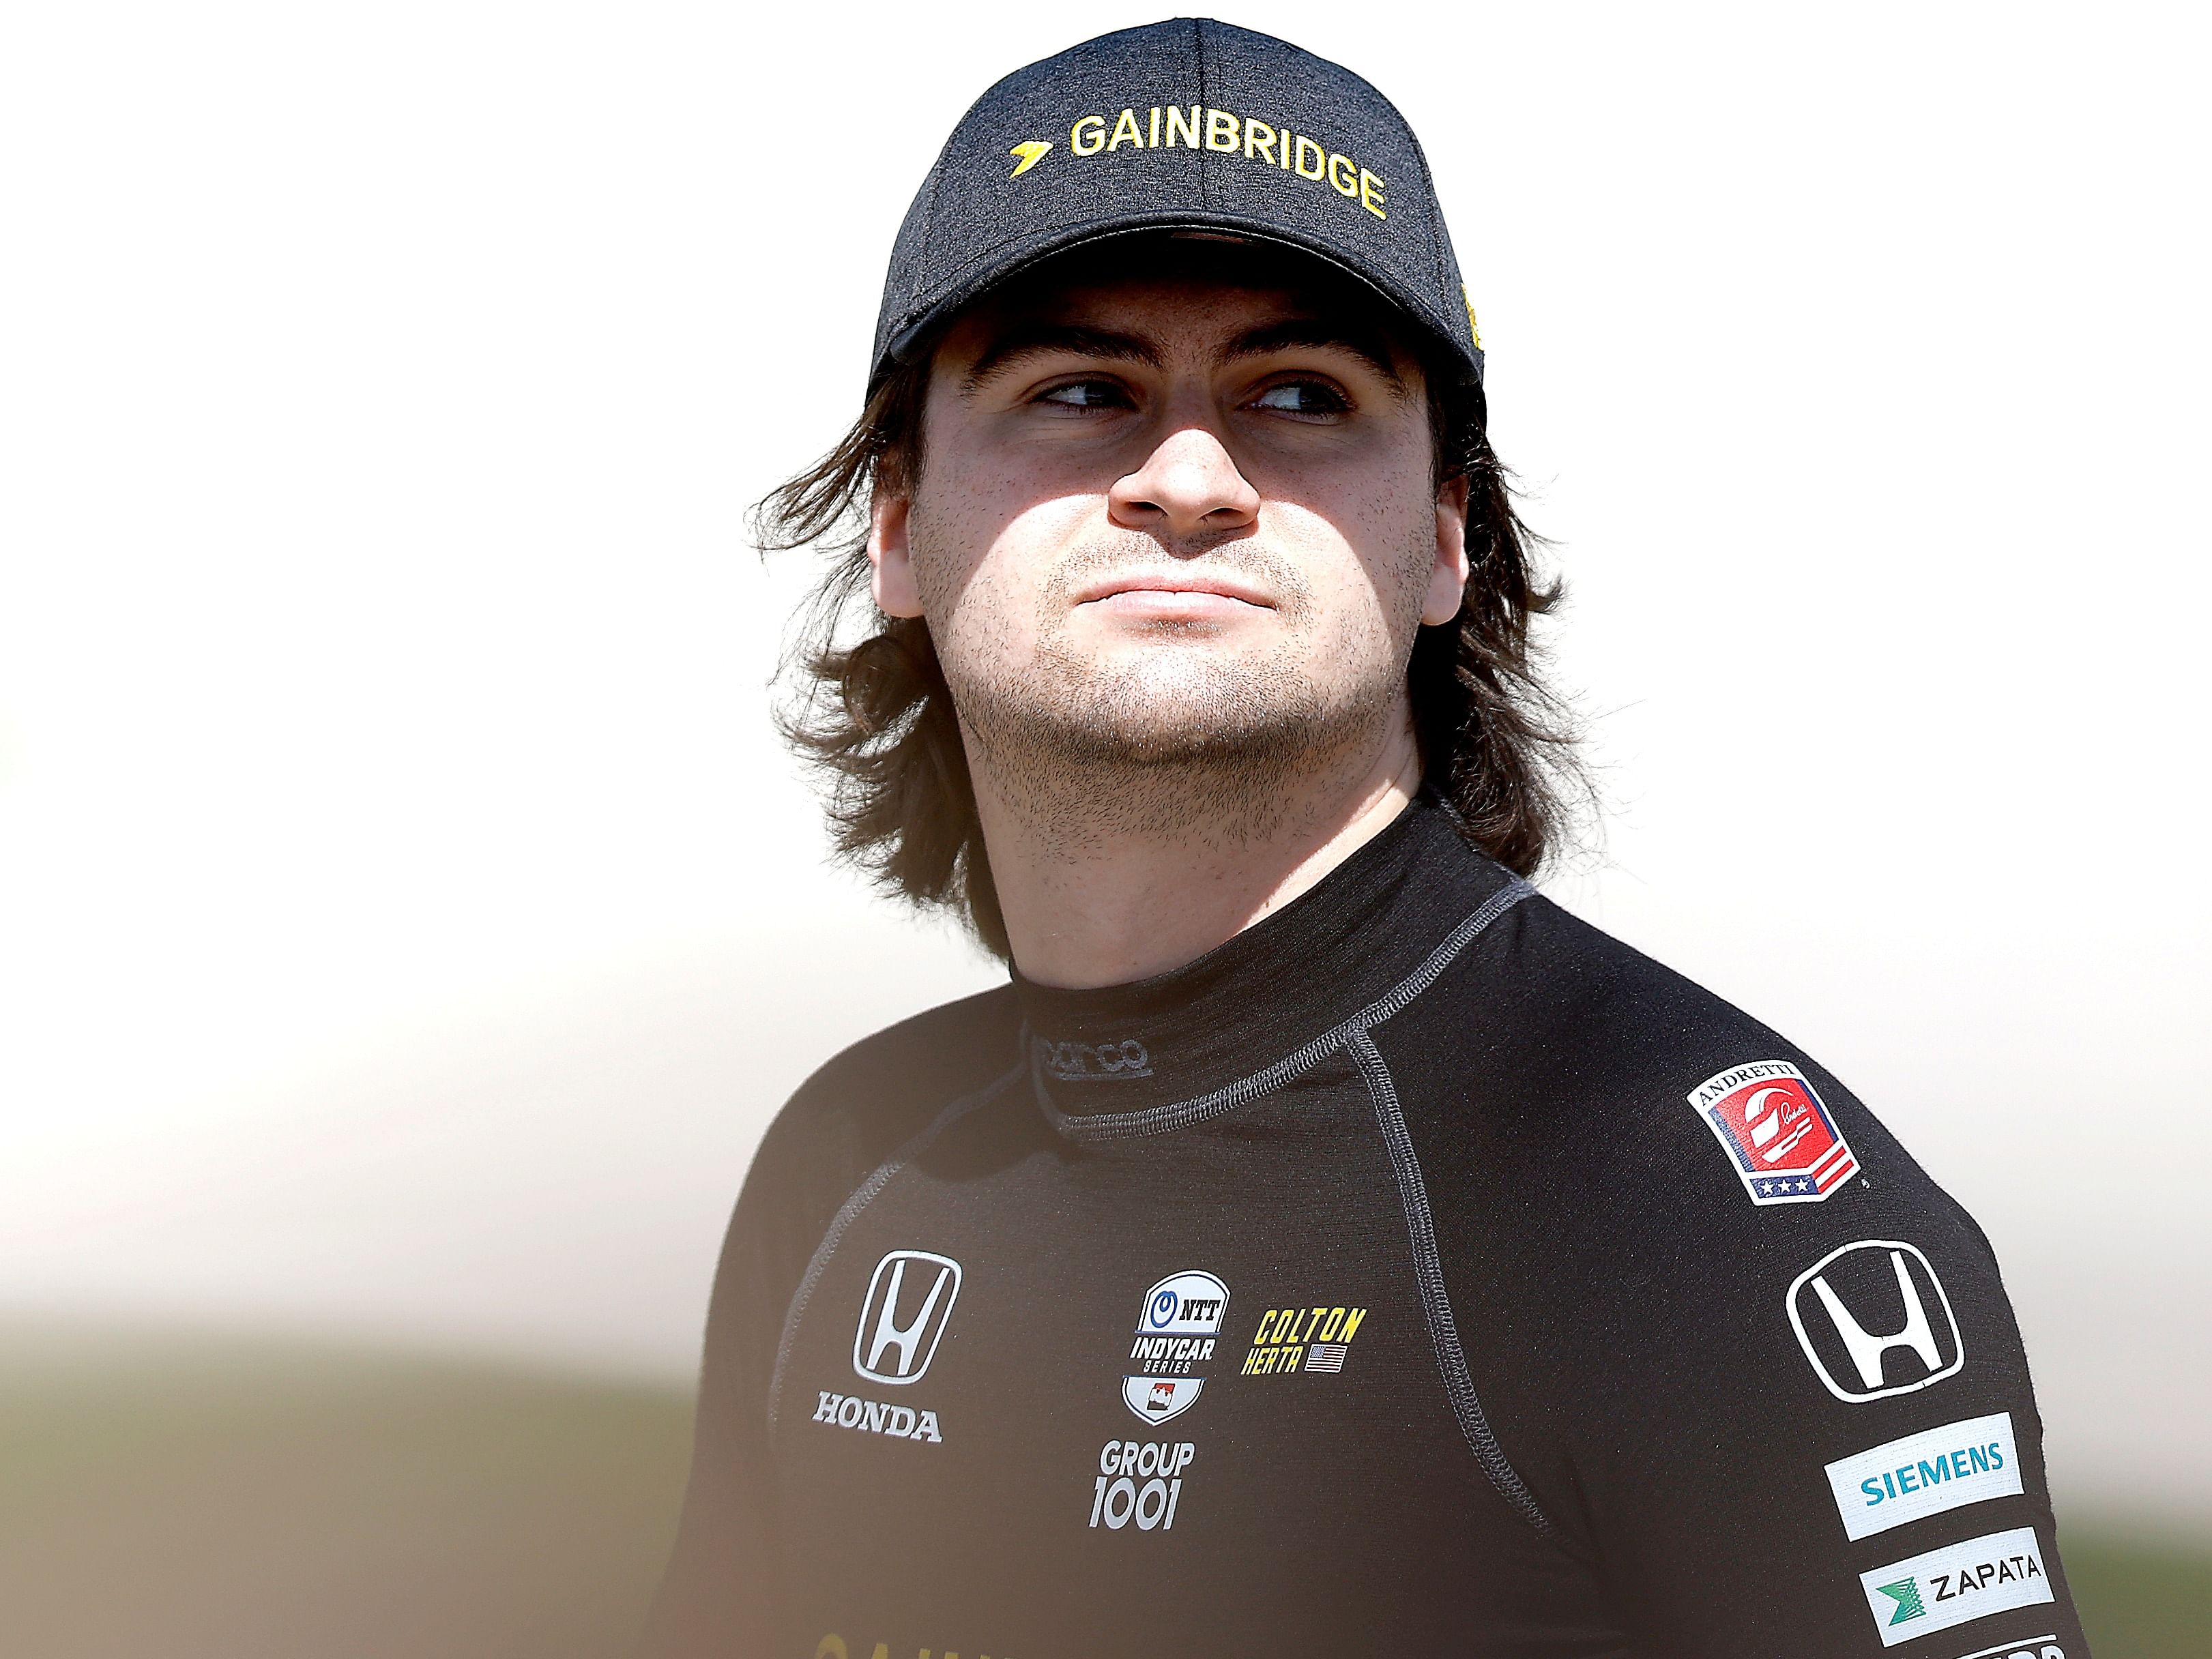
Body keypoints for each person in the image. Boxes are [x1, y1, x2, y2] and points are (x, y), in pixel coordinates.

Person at [639, 19, 2088, 1658]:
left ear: (1448, 539)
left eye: (1299, 393)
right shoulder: (850, 1163)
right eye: (1079, 389)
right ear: (899, 526)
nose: (1187, 477)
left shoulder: (1690, 1208)